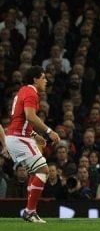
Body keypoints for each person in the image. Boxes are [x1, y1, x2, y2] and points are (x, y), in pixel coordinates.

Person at [5, 66, 60, 223]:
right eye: (43, 77)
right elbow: (30, 116)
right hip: (18, 138)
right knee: (43, 170)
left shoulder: (22, 91)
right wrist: (49, 131)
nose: (46, 81)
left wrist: (35, 135)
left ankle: (30, 211)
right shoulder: (31, 92)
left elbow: (19, 119)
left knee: (36, 172)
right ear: (35, 79)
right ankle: (30, 211)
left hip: (18, 136)